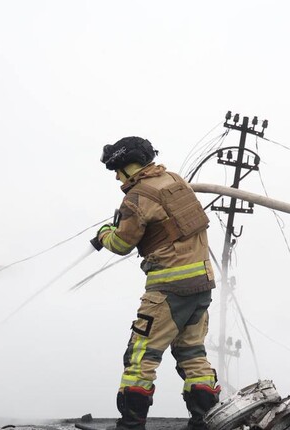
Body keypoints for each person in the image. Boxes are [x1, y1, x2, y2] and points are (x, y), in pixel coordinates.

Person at [94, 136, 220, 430]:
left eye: (117, 169)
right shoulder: (175, 180)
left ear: (130, 166)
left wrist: (103, 234)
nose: (116, 176)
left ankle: (131, 425)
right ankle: (205, 422)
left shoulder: (138, 197)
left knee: (140, 356)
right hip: (201, 285)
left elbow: (122, 243)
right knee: (192, 353)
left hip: (168, 290)